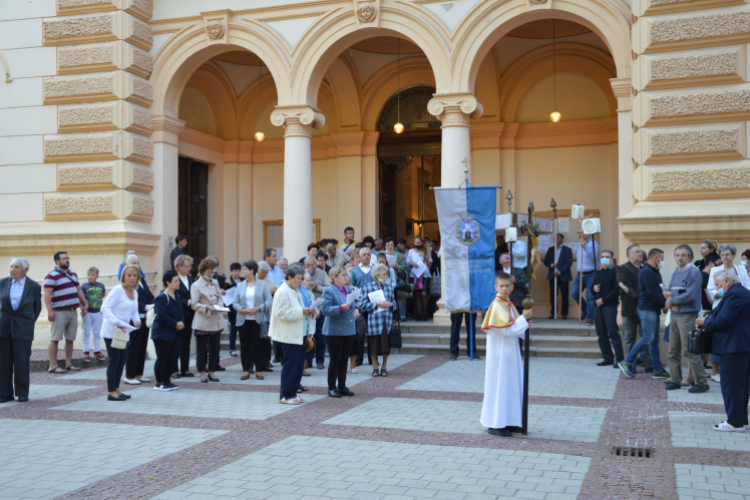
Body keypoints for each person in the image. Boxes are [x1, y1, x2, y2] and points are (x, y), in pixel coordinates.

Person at [696, 270, 750, 432]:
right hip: (739, 345)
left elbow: (723, 321)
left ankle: (734, 422)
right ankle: (741, 420)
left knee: (731, 384)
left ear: (727, 281)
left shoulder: (735, 294)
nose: (717, 288)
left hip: (734, 346)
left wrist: (704, 321)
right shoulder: (741, 292)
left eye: (718, 284)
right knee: (740, 385)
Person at [480, 272, 534, 437]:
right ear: (495, 287)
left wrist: (525, 324)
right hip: (500, 355)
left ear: (512, 287)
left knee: (510, 386)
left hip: (510, 353)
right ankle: (496, 423)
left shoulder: (508, 304)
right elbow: (506, 330)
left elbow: (515, 328)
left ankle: (509, 421)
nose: (504, 288)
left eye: (507, 286)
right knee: (500, 386)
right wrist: (524, 320)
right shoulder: (497, 305)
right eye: (501, 286)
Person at [664, 245, 709, 393]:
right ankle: (675, 380)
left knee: (690, 351)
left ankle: (702, 383)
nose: (680, 258)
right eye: (677, 255)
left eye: (683, 255)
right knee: (673, 351)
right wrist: (671, 303)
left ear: (690, 257)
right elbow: (669, 291)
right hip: (674, 316)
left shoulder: (694, 273)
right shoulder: (675, 272)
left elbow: (690, 294)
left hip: (687, 316)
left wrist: (672, 302)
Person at [619, 248, 670, 379]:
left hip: (653, 309)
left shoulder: (655, 272)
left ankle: (657, 369)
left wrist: (664, 300)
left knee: (654, 340)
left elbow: (660, 290)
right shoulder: (646, 272)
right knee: (647, 338)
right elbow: (652, 293)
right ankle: (627, 362)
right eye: (662, 259)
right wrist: (664, 305)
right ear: (656, 258)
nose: (663, 262)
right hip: (647, 309)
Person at [268, 264, 315, 405]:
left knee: (299, 366)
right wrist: (302, 312)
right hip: (289, 334)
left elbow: (300, 308)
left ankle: (293, 393)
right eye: (299, 278)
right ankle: (285, 395)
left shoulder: (295, 290)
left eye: (302, 278)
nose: (301, 281)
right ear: (289, 277)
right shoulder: (282, 291)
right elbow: (281, 313)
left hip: (299, 332)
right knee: (290, 366)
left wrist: (309, 311)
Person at [0, 258, 42, 403]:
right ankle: (5, 393)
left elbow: (37, 309)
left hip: (23, 329)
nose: (13, 269)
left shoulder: (34, 286)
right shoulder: (2, 283)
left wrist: (27, 323)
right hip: (4, 328)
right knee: (3, 362)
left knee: (22, 361)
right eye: (11, 266)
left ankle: (22, 393)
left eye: (16, 267)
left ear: (25, 270)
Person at [707, 243, 750, 383]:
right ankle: (715, 370)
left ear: (733, 255)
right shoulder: (715, 270)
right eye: (722, 255)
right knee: (720, 334)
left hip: (739, 305)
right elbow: (711, 289)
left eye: (727, 254)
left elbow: (746, 285)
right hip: (721, 305)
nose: (724, 257)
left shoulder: (741, 269)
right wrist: (726, 293)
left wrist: (735, 295)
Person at [100, 265, 141, 401]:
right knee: (114, 361)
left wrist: (137, 320)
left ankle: (117, 389)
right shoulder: (118, 290)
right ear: (123, 276)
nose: (132, 278)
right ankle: (111, 392)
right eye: (129, 275)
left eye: (134, 275)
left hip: (124, 331)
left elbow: (134, 311)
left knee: (122, 360)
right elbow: (105, 307)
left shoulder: (135, 292)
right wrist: (115, 321)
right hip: (112, 331)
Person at [45, 251, 88, 374]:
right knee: (55, 338)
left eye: (67, 258)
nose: (67, 260)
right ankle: (53, 365)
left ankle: (68, 364)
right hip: (59, 312)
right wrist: (49, 311)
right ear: (57, 261)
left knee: (70, 339)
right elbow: (47, 294)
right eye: (64, 258)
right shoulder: (51, 276)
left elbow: (78, 290)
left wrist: (85, 304)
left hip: (72, 311)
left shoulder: (73, 274)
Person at [232, 260, 273, 381]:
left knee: (258, 345)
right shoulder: (240, 285)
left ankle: (259, 370)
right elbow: (235, 303)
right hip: (244, 319)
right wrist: (242, 310)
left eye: (245, 269)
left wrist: (258, 308)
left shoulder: (262, 284)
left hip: (258, 319)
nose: (242, 271)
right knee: (244, 345)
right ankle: (246, 370)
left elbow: (269, 300)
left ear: (251, 271)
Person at [321, 266, 357, 398]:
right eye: (342, 275)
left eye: (345, 275)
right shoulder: (329, 291)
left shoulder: (348, 289)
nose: (345, 277)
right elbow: (325, 310)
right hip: (334, 331)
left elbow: (354, 304)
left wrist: (356, 308)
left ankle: (342, 386)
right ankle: (332, 387)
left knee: (344, 360)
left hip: (348, 329)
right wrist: (341, 308)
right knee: (335, 360)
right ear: (334, 277)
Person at [191, 258, 227, 383]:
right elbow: (194, 304)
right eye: (209, 272)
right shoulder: (196, 285)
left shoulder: (215, 282)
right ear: (203, 271)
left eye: (213, 271)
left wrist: (220, 305)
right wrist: (207, 307)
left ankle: (212, 371)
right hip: (203, 320)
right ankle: (202, 372)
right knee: (202, 349)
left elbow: (219, 297)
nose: (212, 274)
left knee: (215, 348)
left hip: (215, 319)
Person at [618, 244, 651, 372]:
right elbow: (627, 288)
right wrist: (645, 291)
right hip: (629, 309)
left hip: (646, 309)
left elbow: (654, 285)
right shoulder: (622, 268)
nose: (640, 253)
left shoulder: (648, 268)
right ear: (629, 255)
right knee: (629, 339)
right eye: (637, 252)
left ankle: (649, 364)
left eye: (641, 251)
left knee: (647, 337)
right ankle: (630, 366)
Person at [122, 254, 154, 386]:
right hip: (133, 319)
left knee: (142, 347)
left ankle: (138, 374)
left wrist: (153, 305)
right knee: (133, 347)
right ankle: (129, 376)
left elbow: (150, 296)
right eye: (133, 262)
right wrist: (146, 307)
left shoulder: (142, 280)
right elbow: (131, 301)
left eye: (138, 262)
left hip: (144, 318)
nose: (136, 265)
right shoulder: (127, 284)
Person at [151, 271, 184, 391]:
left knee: (173, 357)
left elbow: (181, 312)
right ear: (168, 282)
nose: (178, 283)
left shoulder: (177, 295)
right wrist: (175, 324)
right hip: (162, 333)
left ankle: (167, 381)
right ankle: (159, 383)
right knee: (163, 357)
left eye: (178, 280)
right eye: (176, 281)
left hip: (175, 333)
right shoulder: (161, 298)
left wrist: (181, 322)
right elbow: (161, 316)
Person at [360, 264, 395, 377]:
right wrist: (376, 304)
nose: (386, 276)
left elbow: (395, 303)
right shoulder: (368, 287)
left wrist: (391, 304)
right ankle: (375, 367)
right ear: (376, 275)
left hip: (386, 320)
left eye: (386, 274)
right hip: (374, 320)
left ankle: (384, 367)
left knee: (385, 345)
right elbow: (363, 305)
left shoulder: (389, 287)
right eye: (384, 274)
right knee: (374, 345)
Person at [592, 250, 624, 367]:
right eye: (602, 256)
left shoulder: (615, 272)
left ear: (611, 259)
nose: (604, 258)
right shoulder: (598, 273)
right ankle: (607, 358)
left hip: (609, 306)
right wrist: (593, 289)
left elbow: (617, 290)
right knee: (601, 334)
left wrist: (603, 300)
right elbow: (591, 289)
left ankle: (620, 359)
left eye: (607, 257)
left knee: (613, 333)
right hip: (598, 307)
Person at [304, 256, 329, 369]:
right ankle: (308, 361)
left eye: (312, 264)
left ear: (316, 263)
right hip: (306, 311)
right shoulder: (302, 274)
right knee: (309, 336)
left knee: (320, 336)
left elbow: (328, 289)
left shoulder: (322, 274)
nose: (310, 267)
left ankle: (320, 360)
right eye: (308, 265)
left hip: (320, 309)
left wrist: (317, 287)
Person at [571, 229, 599, 325]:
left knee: (590, 296)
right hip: (580, 273)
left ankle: (590, 318)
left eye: (581, 233)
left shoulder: (594, 244)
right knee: (574, 293)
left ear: (588, 233)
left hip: (591, 273)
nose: (579, 235)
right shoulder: (580, 243)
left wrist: (585, 246)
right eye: (578, 232)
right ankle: (585, 309)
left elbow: (594, 257)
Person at [173, 254, 195, 378]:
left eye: (190, 266)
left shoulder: (191, 279)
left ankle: (185, 369)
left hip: (190, 315)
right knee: (177, 343)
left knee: (186, 343)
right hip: (178, 315)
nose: (189, 268)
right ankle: (174, 370)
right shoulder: (174, 278)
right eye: (187, 266)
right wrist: (187, 302)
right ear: (179, 266)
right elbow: (174, 296)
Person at [543, 234, 572, 319]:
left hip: (563, 276)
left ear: (562, 239)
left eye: (557, 238)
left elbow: (568, 262)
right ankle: (553, 312)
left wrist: (559, 271)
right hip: (553, 276)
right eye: (554, 238)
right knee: (553, 295)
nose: (556, 239)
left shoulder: (567, 250)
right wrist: (552, 265)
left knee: (565, 295)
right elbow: (546, 261)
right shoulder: (551, 249)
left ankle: (564, 313)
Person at [81, 266, 106, 362]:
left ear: (97, 276)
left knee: (97, 332)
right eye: (88, 275)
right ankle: (86, 351)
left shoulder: (101, 285)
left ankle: (97, 350)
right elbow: (80, 298)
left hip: (98, 312)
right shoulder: (84, 287)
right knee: (86, 331)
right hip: (87, 312)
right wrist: (83, 308)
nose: (90, 276)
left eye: (92, 275)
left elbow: (103, 295)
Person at [406, 236, 432, 321]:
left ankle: (425, 313)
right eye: (416, 243)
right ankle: (419, 314)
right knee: (417, 295)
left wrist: (425, 256)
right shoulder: (411, 251)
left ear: (422, 243)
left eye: (419, 243)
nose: (417, 244)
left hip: (424, 274)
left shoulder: (426, 251)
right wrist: (413, 264)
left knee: (424, 294)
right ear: (414, 243)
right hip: (415, 274)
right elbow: (408, 262)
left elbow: (430, 263)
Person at [224, 263, 243, 358]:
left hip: (243, 308)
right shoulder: (228, 281)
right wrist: (231, 286)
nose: (237, 273)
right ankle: (232, 349)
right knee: (233, 329)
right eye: (235, 271)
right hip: (233, 309)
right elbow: (227, 294)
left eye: (238, 271)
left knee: (243, 330)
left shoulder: (243, 280)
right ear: (231, 271)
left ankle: (244, 348)